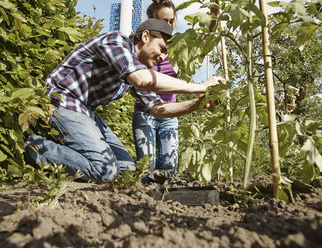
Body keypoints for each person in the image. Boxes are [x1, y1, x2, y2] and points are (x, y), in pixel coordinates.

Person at [24, 18, 225, 183]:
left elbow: (157, 109)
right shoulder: (116, 42)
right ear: (145, 36)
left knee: (128, 170)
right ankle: (34, 147)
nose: (163, 57)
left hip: (84, 111)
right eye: (162, 48)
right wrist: (200, 86)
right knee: (105, 170)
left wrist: (196, 104)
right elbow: (142, 79)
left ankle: (69, 157)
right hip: (61, 100)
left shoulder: (134, 69)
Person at [133, 0, 179, 173]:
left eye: (171, 21)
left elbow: (206, 38)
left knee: (169, 167)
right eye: (162, 21)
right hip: (145, 112)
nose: (168, 25)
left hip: (169, 113)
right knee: (147, 167)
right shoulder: (143, 46)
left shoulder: (179, 47)